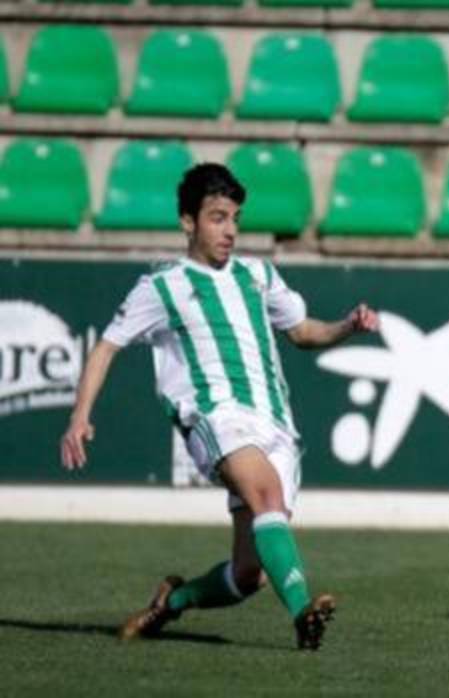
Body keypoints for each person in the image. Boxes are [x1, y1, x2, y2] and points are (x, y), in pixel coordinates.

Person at [59, 163, 380, 650]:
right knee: (267, 497)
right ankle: (303, 617)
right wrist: (79, 416)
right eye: (217, 217)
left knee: (250, 573)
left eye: (234, 218)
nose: (230, 230)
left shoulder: (256, 274)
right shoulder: (161, 286)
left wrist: (347, 326)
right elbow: (106, 346)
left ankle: (172, 602)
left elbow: (302, 332)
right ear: (188, 221)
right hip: (215, 417)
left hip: (276, 423)